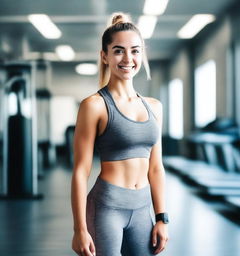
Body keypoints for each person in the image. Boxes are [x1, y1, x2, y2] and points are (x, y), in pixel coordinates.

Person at [71, 12, 169, 256]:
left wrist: (162, 218)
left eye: (135, 50)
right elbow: (81, 170)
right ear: (104, 56)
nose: (128, 58)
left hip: (142, 208)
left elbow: (156, 168)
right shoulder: (94, 105)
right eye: (118, 50)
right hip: (107, 208)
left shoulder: (155, 107)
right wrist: (79, 229)